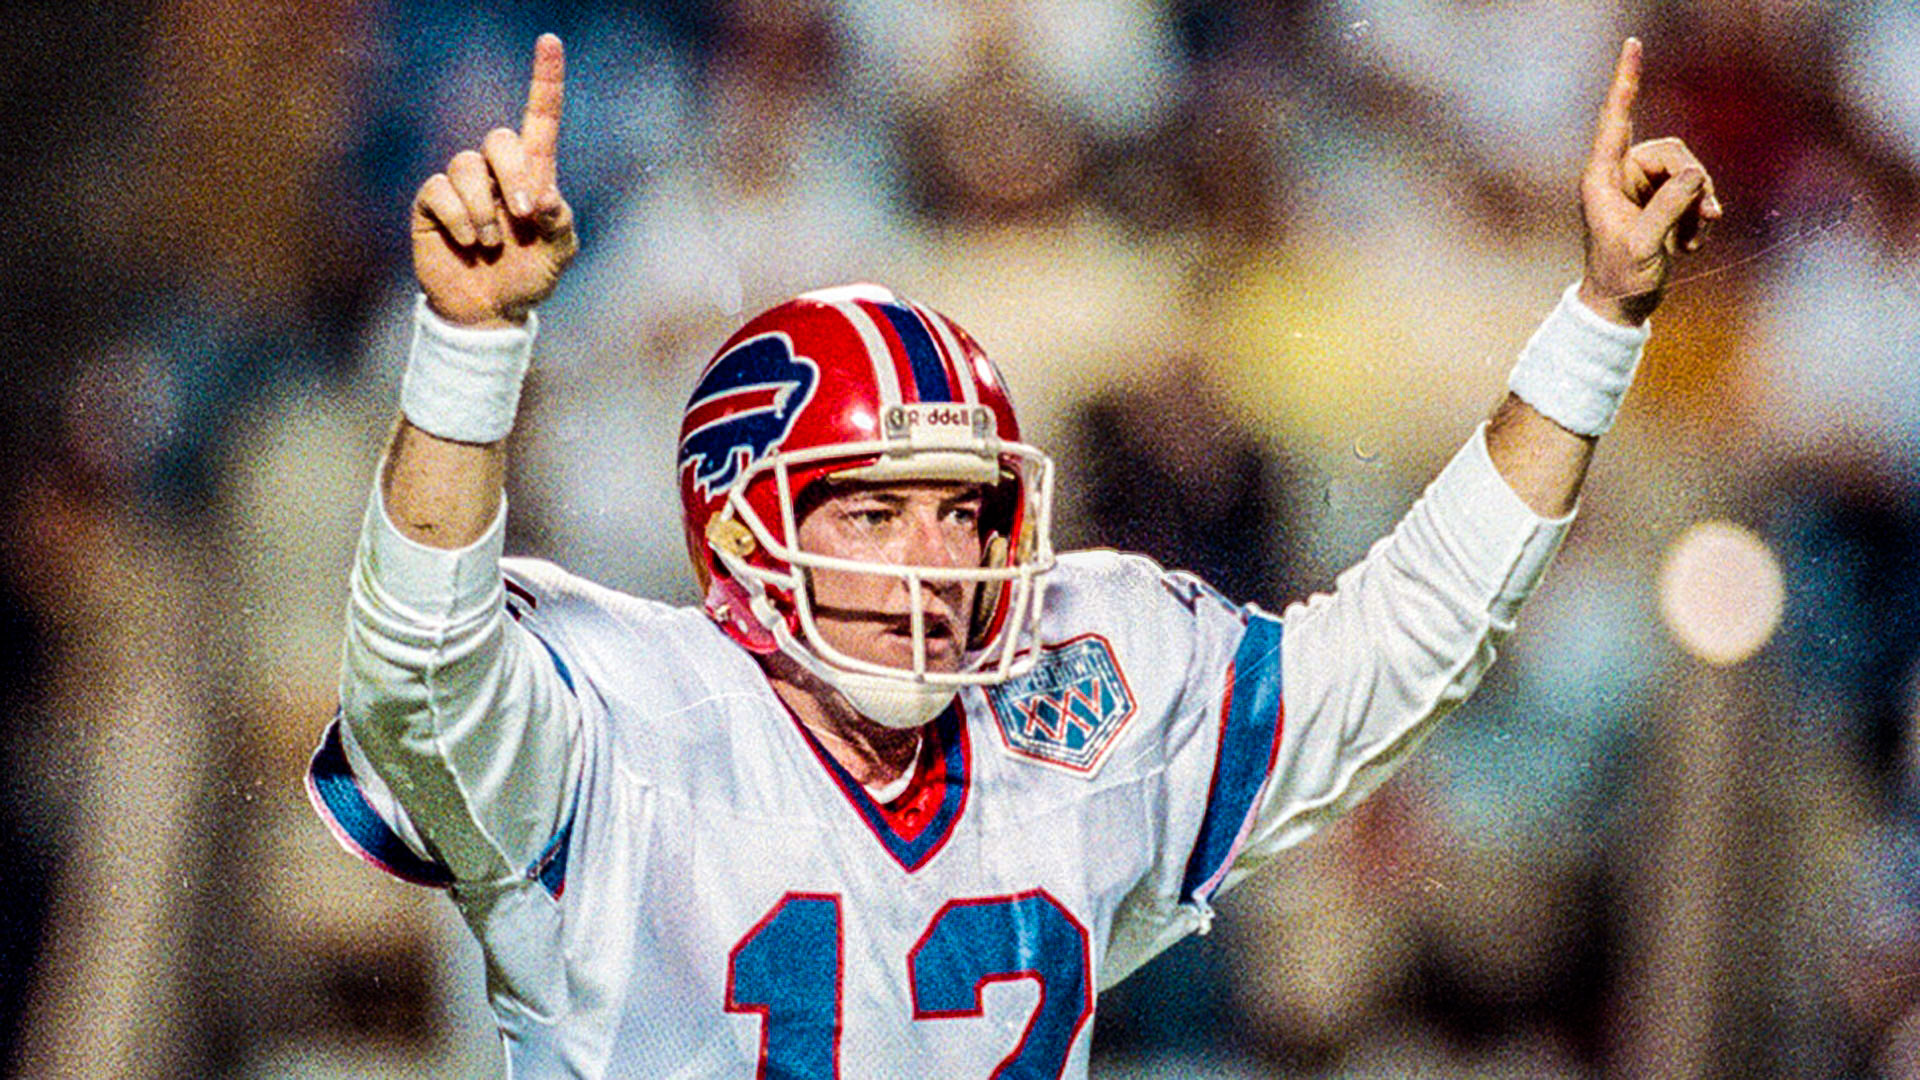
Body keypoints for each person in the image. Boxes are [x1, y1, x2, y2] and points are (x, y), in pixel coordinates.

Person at [308, 32, 1718, 1078]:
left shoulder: (1078, 695)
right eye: (872, 514)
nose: (935, 558)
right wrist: (469, 348)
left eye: (964, 511)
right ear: (740, 534)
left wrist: (1599, 321)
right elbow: (418, 667)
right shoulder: (618, 723)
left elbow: (1407, 637)